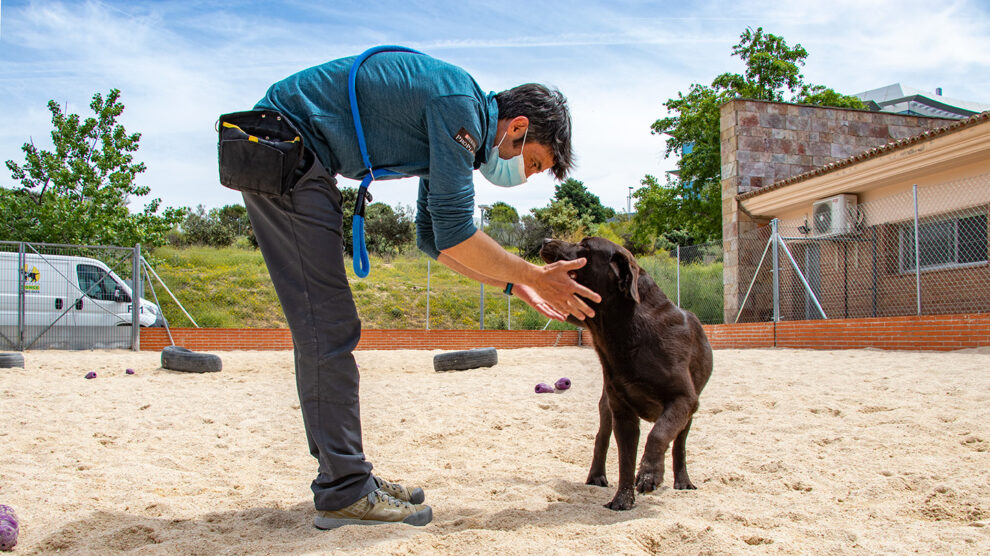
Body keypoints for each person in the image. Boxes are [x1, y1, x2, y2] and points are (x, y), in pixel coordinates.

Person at [220, 47, 601, 529]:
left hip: (297, 150)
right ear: (517, 128)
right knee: (328, 326)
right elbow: (459, 231)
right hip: (285, 146)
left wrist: (515, 287)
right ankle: (344, 489)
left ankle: (346, 476)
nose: (524, 177)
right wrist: (530, 274)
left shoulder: (459, 121)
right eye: (534, 164)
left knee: (327, 326)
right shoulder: (459, 108)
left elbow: (434, 240)